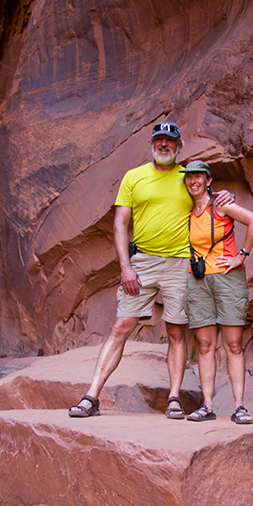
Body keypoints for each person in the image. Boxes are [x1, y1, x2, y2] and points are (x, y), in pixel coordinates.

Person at [68, 123, 234, 419]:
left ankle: (173, 398)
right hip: (141, 262)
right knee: (121, 327)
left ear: (179, 146)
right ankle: (91, 396)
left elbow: (205, 194)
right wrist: (125, 266)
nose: (164, 145)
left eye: (170, 141)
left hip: (179, 262)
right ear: (152, 144)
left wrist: (225, 196)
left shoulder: (185, 177)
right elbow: (120, 224)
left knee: (176, 331)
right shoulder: (134, 177)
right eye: (159, 140)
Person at [180, 160, 253, 424]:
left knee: (233, 344)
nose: (193, 181)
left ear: (208, 180)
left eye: (198, 177)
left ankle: (239, 406)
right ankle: (207, 405)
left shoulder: (221, 204)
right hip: (199, 280)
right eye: (189, 177)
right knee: (204, 344)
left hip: (228, 278)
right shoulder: (187, 210)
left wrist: (242, 255)